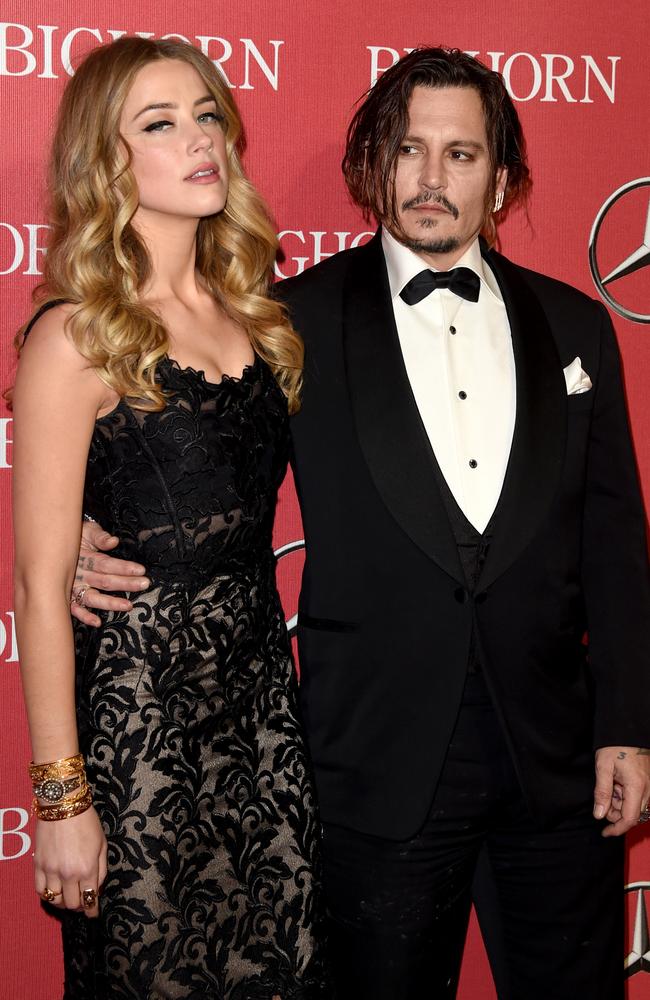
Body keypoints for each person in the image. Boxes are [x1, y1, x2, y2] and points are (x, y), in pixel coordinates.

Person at [74, 46, 650, 999]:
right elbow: (190, 463)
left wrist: (628, 722)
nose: (431, 178)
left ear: (500, 176)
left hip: (559, 766)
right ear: (374, 163)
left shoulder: (577, 326)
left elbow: (615, 544)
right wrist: (82, 545)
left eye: (461, 155)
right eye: (409, 150)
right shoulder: (283, 322)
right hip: (375, 764)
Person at [12, 36, 329, 1000]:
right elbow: (37, 581)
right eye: (159, 123)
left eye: (207, 116)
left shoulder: (256, 317)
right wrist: (63, 801)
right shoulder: (76, 335)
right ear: (107, 162)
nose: (201, 141)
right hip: (140, 721)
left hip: (264, 711)